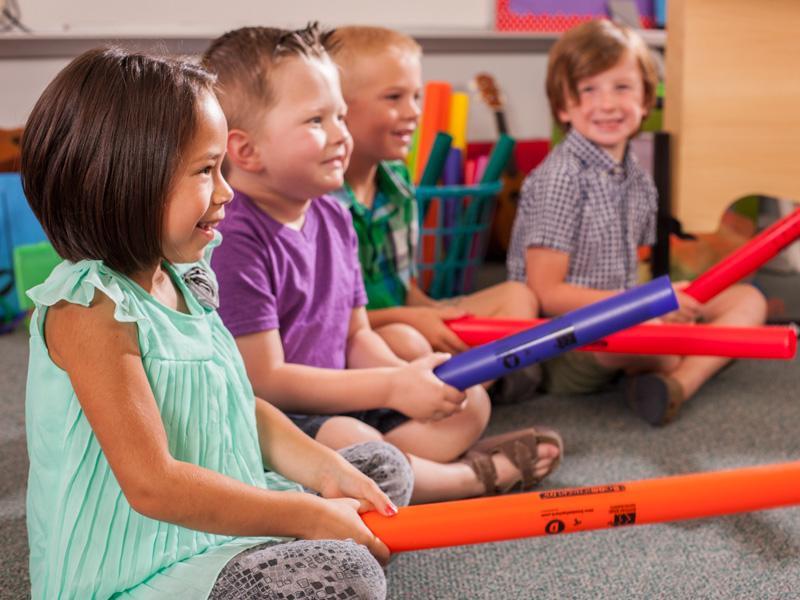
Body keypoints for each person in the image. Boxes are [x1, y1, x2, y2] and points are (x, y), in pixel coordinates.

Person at [21, 47, 416, 600]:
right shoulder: (91, 309)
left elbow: (234, 403)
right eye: (207, 171)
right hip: (146, 564)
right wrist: (304, 514)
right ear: (127, 180)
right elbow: (153, 487)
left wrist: (325, 471)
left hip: (226, 518)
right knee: (347, 576)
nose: (227, 193)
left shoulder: (185, 275)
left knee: (379, 469)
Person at [202, 24, 562, 505]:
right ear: (245, 150)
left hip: (347, 395)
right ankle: (468, 478)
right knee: (354, 442)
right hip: (280, 420)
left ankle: (406, 472)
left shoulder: (332, 210)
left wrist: (409, 382)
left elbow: (356, 335)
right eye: (316, 122)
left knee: (469, 401)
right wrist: (392, 385)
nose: (340, 136)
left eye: (341, 117)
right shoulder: (234, 238)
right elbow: (266, 381)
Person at [506, 19, 767, 426]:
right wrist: (650, 305)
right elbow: (545, 292)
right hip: (567, 343)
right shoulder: (560, 178)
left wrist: (658, 303)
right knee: (666, 345)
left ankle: (677, 385)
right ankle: (673, 369)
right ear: (563, 106)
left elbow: (633, 271)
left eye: (622, 87)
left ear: (646, 100)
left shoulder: (635, 176)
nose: (607, 104)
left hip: (626, 312)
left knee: (748, 299)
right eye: (588, 89)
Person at [325, 25, 543, 404]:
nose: (414, 112)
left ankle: (463, 386)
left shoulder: (397, 179)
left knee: (517, 297)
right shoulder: (321, 202)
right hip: (355, 342)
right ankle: (465, 389)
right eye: (394, 97)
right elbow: (330, 323)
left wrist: (435, 312)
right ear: (338, 108)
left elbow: (406, 288)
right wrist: (413, 320)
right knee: (404, 341)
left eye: (416, 96)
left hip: (407, 321)